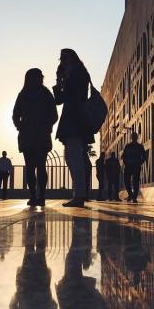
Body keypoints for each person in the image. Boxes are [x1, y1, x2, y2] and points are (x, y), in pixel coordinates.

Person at [54, 49, 94, 208]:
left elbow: (71, 96)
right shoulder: (71, 74)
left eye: (65, 58)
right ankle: (78, 193)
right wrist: (59, 81)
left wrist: (65, 79)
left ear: (72, 58)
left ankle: (79, 195)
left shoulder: (78, 72)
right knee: (71, 158)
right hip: (72, 119)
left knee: (75, 157)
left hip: (76, 119)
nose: (62, 61)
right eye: (61, 58)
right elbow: (59, 100)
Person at [13, 68, 58, 206]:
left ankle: (41, 196)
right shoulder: (23, 94)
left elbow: (54, 115)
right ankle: (33, 196)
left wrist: (47, 125)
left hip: (41, 136)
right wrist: (20, 126)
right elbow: (15, 114)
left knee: (40, 166)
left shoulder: (46, 94)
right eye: (38, 77)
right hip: (27, 136)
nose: (41, 79)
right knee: (31, 167)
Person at [122, 132, 146, 203]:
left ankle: (134, 196)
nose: (134, 138)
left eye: (134, 136)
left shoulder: (139, 146)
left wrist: (139, 163)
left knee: (135, 182)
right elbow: (124, 156)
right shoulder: (128, 146)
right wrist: (126, 162)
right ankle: (131, 195)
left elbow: (144, 156)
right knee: (127, 181)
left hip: (135, 166)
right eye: (133, 136)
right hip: (129, 166)